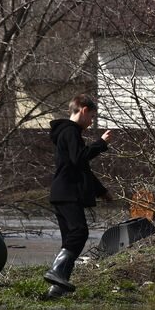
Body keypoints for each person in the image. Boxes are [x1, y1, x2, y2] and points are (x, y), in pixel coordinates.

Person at [44, 94, 115, 298]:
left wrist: (102, 192)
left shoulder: (67, 133)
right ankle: (56, 272)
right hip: (67, 193)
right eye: (92, 117)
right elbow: (80, 158)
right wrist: (100, 143)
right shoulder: (70, 132)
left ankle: (56, 289)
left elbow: (82, 168)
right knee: (80, 232)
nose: (92, 122)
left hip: (61, 192)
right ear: (83, 110)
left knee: (70, 240)